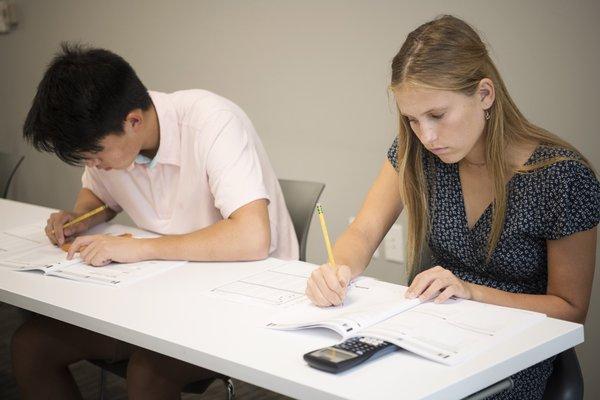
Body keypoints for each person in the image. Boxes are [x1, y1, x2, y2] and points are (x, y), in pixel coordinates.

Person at [305, 15, 599, 399]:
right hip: (424, 336)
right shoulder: (416, 154)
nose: (426, 136)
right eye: (412, 119)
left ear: (485, 94)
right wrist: (336, 270)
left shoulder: (563, 177)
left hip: (509, 358)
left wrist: (472, 292)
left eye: (438, 116)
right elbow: (364, 230)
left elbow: (571, 309)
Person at [12, 43, 298, 400]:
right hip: (160, 297)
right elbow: (100, 196)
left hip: (239, 303)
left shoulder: (212, 122)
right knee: (31, 346)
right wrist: (80, 216)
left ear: (134, 121)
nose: (94, 164)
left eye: (96, 154)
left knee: (147, 373)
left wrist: (137, 250)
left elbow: (251, 236)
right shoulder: (113, 140)